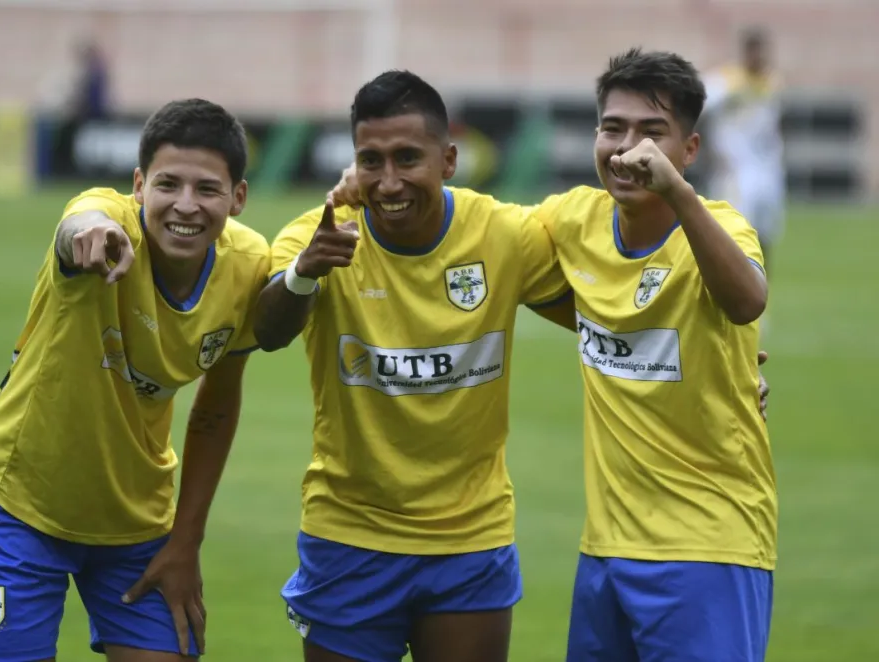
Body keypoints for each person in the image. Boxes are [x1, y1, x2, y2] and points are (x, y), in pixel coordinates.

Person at [256, 70, 771, 662]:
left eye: (407, 158)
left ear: (448, 159)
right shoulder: (322, 237)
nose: (390, 180)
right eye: (371, 161)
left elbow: (665, 304)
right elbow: (267, 331)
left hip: (474, 541)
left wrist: (719, 360)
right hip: (349, 533)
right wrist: (305, 273)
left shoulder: (503, 234)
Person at [0, 98, 270, 662]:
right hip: (21, 503)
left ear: (239, 198)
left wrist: (186, 542)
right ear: (138, 185)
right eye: (167, 184)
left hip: (135, 519)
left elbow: (216, 410)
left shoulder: (249, 265)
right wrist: (89, 232)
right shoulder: (106, 221)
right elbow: (81, 220)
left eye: (207, 189)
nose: (185, 205)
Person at [534, 48, 776, 662]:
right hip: (605, 551)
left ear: (689, 150)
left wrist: (678, 194)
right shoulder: (572, 220)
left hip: (708, 548)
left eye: (652, 132)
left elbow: (747, 301)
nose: (627, 147)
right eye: (613, 128)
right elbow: (497, 262)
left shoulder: (723, 226)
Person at [702, 27, 785, 275]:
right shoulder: (727, 82)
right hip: (735, 172)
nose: (758, 57)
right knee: (736, 234)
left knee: (766, 236)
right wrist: (708, 151)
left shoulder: (772, 83)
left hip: (768, 171)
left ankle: (761, 296)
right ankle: (734, 291)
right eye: (753, 51)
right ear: (745, 53)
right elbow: (698, 110)